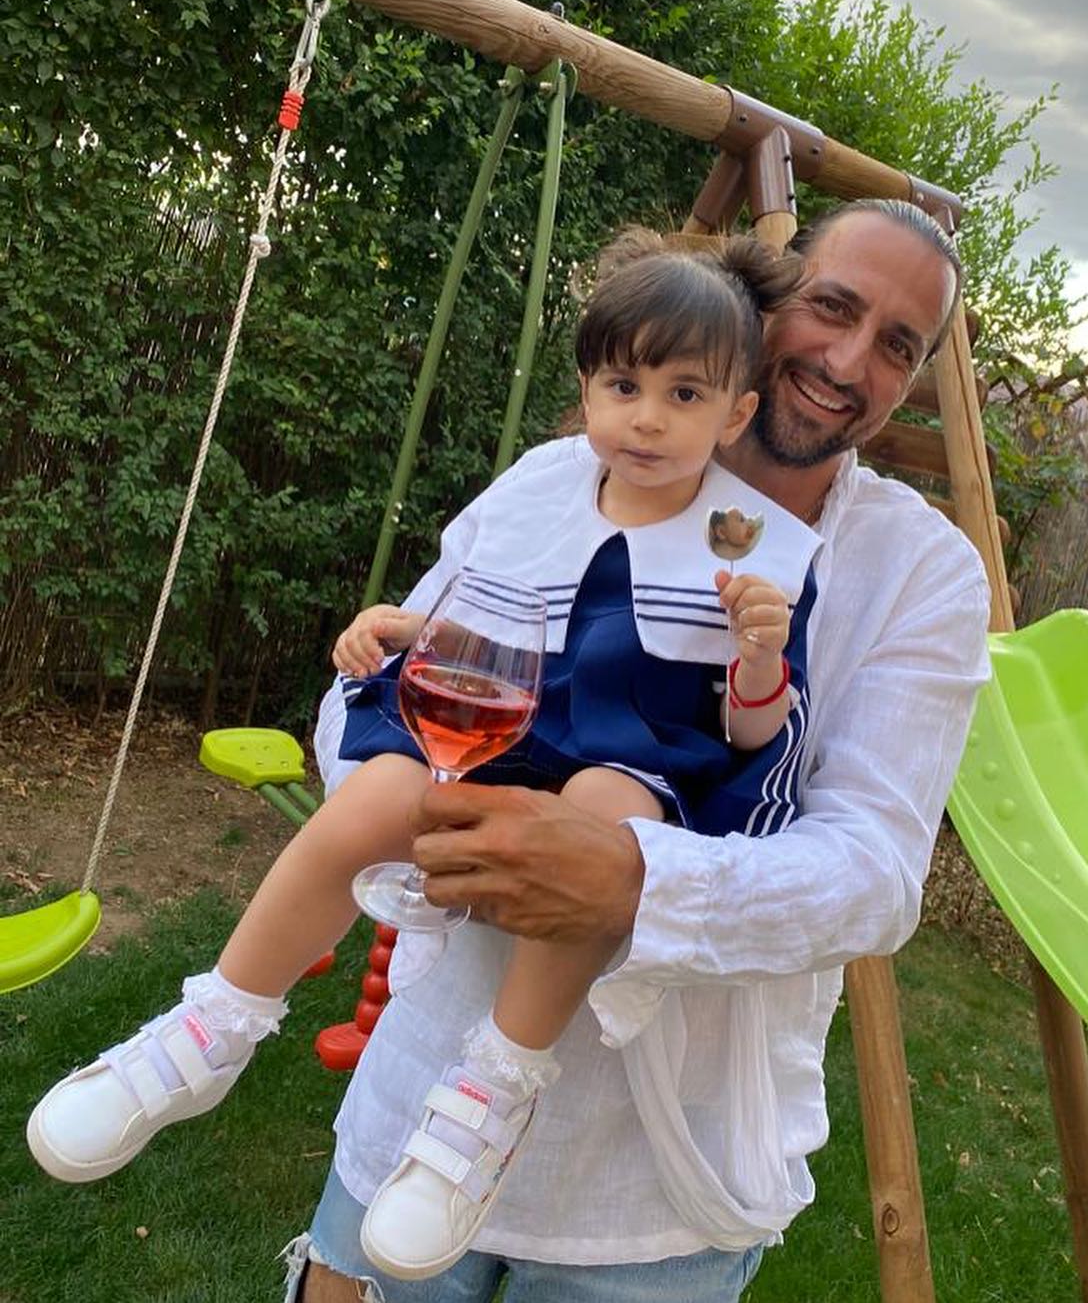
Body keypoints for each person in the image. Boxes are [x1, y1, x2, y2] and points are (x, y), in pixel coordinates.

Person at [26, 232, 826, 1281]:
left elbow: (754, 739)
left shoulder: (752, 543)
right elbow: (467, 619)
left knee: (602, 820)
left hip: (634, 751)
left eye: (684, 395)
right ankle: (215, 1021)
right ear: (586, 389)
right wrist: (398, 627)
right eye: (623, 385)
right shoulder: (540, 487)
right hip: (504, 727)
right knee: (377, 795)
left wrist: (760, 657)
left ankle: (492, 1087)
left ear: (734, 413)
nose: (645, 418)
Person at [284, 198, 993, 1303]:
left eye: (897, 346)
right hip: (424, 1087)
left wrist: (633, 878)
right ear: (768, 300)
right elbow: (373, 695)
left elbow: (874, 875)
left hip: (664, 1181)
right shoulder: (559, 478)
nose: (850, 361)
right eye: (832, 307)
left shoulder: (921, 572)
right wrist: (443, 822)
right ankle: (206, 1024)